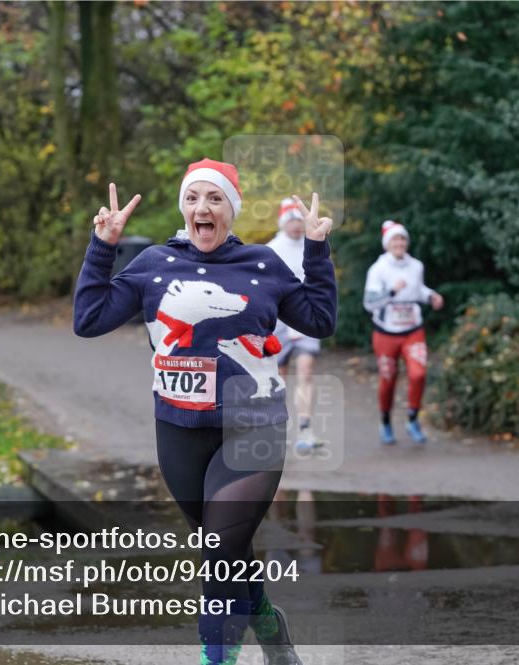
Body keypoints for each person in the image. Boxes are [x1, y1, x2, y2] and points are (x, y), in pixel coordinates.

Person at [73, 158, 336, 665]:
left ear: (231, 210)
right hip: (179, 429)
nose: (203, 208)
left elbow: (320, 320)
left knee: (217, 551)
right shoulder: (154, 263)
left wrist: (317, 251)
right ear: (183, 209)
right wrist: (102, 247)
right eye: (193, 198)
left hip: (253, 426)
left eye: (215, 199)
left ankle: (217, 659)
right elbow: (88, 319)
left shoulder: (262, 264)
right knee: (227, 552)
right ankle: (266, 622)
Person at [363, 220, 444, 445]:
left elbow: (418, 290)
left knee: (418, 373)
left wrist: (431, 296)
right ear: (387, 244)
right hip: (386, 333)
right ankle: (386, 421)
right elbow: (369, 304)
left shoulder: (416, 266)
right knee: (388, 379)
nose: (399, 243)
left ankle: (412, 418)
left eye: (402, 239)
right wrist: (391, 291)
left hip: (412, 330)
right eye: (395, 239)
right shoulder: (378, 269)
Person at [267, 198, 323, 456]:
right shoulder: (271, 250)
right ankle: (277, 428)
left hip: (306, 319)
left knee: (306, 370)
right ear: (283, 222)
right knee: (278, 377)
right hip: (278, 321)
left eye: (300, 221)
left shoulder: (314, 248)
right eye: (292, 221)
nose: (297, 226)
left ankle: (305, 428)